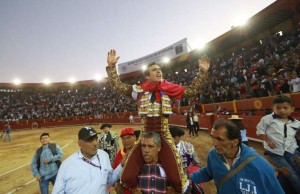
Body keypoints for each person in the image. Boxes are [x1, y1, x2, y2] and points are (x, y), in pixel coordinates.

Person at [106, 49, 209, 193]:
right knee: (127, 177)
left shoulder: (169, 88)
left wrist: (202, 73)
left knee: (178, 181)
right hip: (144, 137)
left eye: (160, 69)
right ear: (148, 75)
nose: (159, 71)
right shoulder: (140, 90)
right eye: (154, 70)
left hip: (164, 137)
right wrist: (111, 67)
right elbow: (118, 86)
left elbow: (191, 91)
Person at [190, 119, 284, 194]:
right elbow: (209, 172)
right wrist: (187, 178)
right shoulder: (213, 154)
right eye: (213, 137)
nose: (214, 143)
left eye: (219, 139)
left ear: (234, 142)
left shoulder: (261, 166)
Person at [52, 127, 123, 194]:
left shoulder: (104, 156)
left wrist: (122, 164)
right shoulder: (67, 165)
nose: (95, 143)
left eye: (96, 139)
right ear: (79, 143)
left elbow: (110, 180)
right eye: (90, 140)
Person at [256, 95, 300, 192]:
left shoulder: (297, 123)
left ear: (292, 109)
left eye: (285, 108)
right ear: (273, 108)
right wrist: (267, 140)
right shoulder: (267, 119)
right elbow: (260, 130)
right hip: (276, 152)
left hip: (291, 150)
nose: (282, 110)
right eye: (278, 108)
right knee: (291, 174)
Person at [169, 126, 205, 194]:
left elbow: (197, 163)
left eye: (170, 137)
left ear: (177, 137)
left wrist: (189, 172)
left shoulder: (188, 147)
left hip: (186, 179)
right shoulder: (166, 147)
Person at [113, 127, 137, 194]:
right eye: (123, 138)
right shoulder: (119, 154)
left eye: (129, 137)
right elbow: (114, 173)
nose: (126, 141)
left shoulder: (140, 151)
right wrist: (116, 184)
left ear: (134, 137)